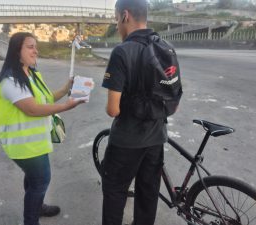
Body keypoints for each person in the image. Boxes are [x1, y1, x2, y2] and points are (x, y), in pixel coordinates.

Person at [0, 32, 85, 225]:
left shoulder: (31, 73)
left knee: (35, 179)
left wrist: (67, 87)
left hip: (35, 143)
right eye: (30, 47)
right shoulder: (10, 80)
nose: (36, 50)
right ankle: (31, 219)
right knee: (41, 180)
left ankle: (38, 206)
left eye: (36, 46)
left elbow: (47, 98)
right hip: (23, 146)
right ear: (17, 51)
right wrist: (67, 106)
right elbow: (32, 109)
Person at [101, 0, 175, 224]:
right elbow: (173, 100)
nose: (117, 24)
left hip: (126, 141)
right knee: (147, 193)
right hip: (156, 138)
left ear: (125, 16)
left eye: (116, 19)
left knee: (115, 191)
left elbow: (113, 110)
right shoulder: (166, 48)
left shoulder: (122, 52)